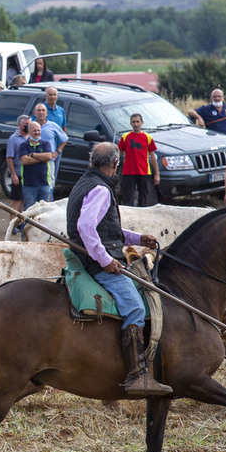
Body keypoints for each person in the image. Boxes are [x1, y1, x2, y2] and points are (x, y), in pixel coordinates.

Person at [66, 141, 171, 396]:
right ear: (116, 164)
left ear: (92, 162)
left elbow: (107, 231)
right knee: (135, 307)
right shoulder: (101, 190)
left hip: (95, 254)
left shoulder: (87, 181)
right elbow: (86, 228)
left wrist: (136, 239)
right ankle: (137, 375)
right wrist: (105, 261)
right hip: (97, 263)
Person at [118, 113, 159, 207]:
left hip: (144, 171)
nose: (136, 124)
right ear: (130, 124)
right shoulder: (125, 137)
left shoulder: (148, 138)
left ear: (142, 122)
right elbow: (120, 154)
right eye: (133, 122)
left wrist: (156, 174)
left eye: (137, 122)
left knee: (144, 198)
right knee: (128, 198)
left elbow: (152, 156)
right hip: (128, 172)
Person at [18, 121, 54, 209]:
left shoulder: (45, 144)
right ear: (29, 131)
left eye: (38, 130)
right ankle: (26, 223)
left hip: (44, 183)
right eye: (34, 131)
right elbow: (25, 160)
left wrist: (33, 155)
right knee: (29, 210)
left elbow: (49, 156)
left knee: (44, 210)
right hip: (29, 184)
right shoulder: (23, 145)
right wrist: (42, 159)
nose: (37, 133)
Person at [31, 102, 67, 181]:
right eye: (39, 110)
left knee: (49, 187)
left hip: (48, 162)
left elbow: (64, 139)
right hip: (33, 161)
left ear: (47, 113)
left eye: (43, 111)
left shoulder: (53, 126)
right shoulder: (30, 126)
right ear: (34, 113)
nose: (41, 113)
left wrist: (58, 151)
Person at [4, 115, 30, 222]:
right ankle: (12, 222)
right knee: (16, 200)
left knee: (25, 200)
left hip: (29, 174)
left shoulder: (31, 137)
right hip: (18, 173)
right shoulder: (13, 139)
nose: (28, 127)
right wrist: (13, 174)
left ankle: (20, 222)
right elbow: (9, 157)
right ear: (20, 125)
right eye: (26, 124)